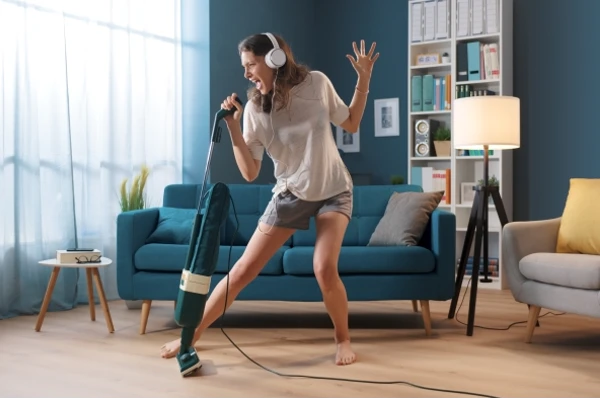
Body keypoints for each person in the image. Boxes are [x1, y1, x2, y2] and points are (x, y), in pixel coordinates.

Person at [160, 32, 379, 366]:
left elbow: (350, 121)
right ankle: (191, 337)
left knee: (323, 267)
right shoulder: (254, 109)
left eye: (251, 64)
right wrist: (234, 128)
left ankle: (342, 340)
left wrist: (363, 80)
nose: (247, 73)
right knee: (243, 270)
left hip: (333, 188)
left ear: (275, 58)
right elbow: (250, 171)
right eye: (244, 67)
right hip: (291, 194)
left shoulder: (316, 84)